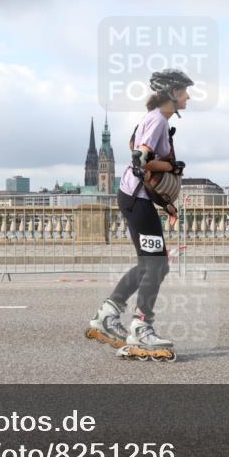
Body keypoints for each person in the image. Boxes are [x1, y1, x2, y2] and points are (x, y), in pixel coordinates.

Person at [85, 69, 192, 362]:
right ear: (172, 93)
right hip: (137, 200)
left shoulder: (154, 119)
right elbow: (140, 160)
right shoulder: (158, 120)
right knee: (157, 264)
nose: (188, 97)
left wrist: (166, 203)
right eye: (184, 91)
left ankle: (107, 315)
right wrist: (171, 167)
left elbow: (139, 158)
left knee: (151, 264)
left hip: (136, 198)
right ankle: (141, 328)